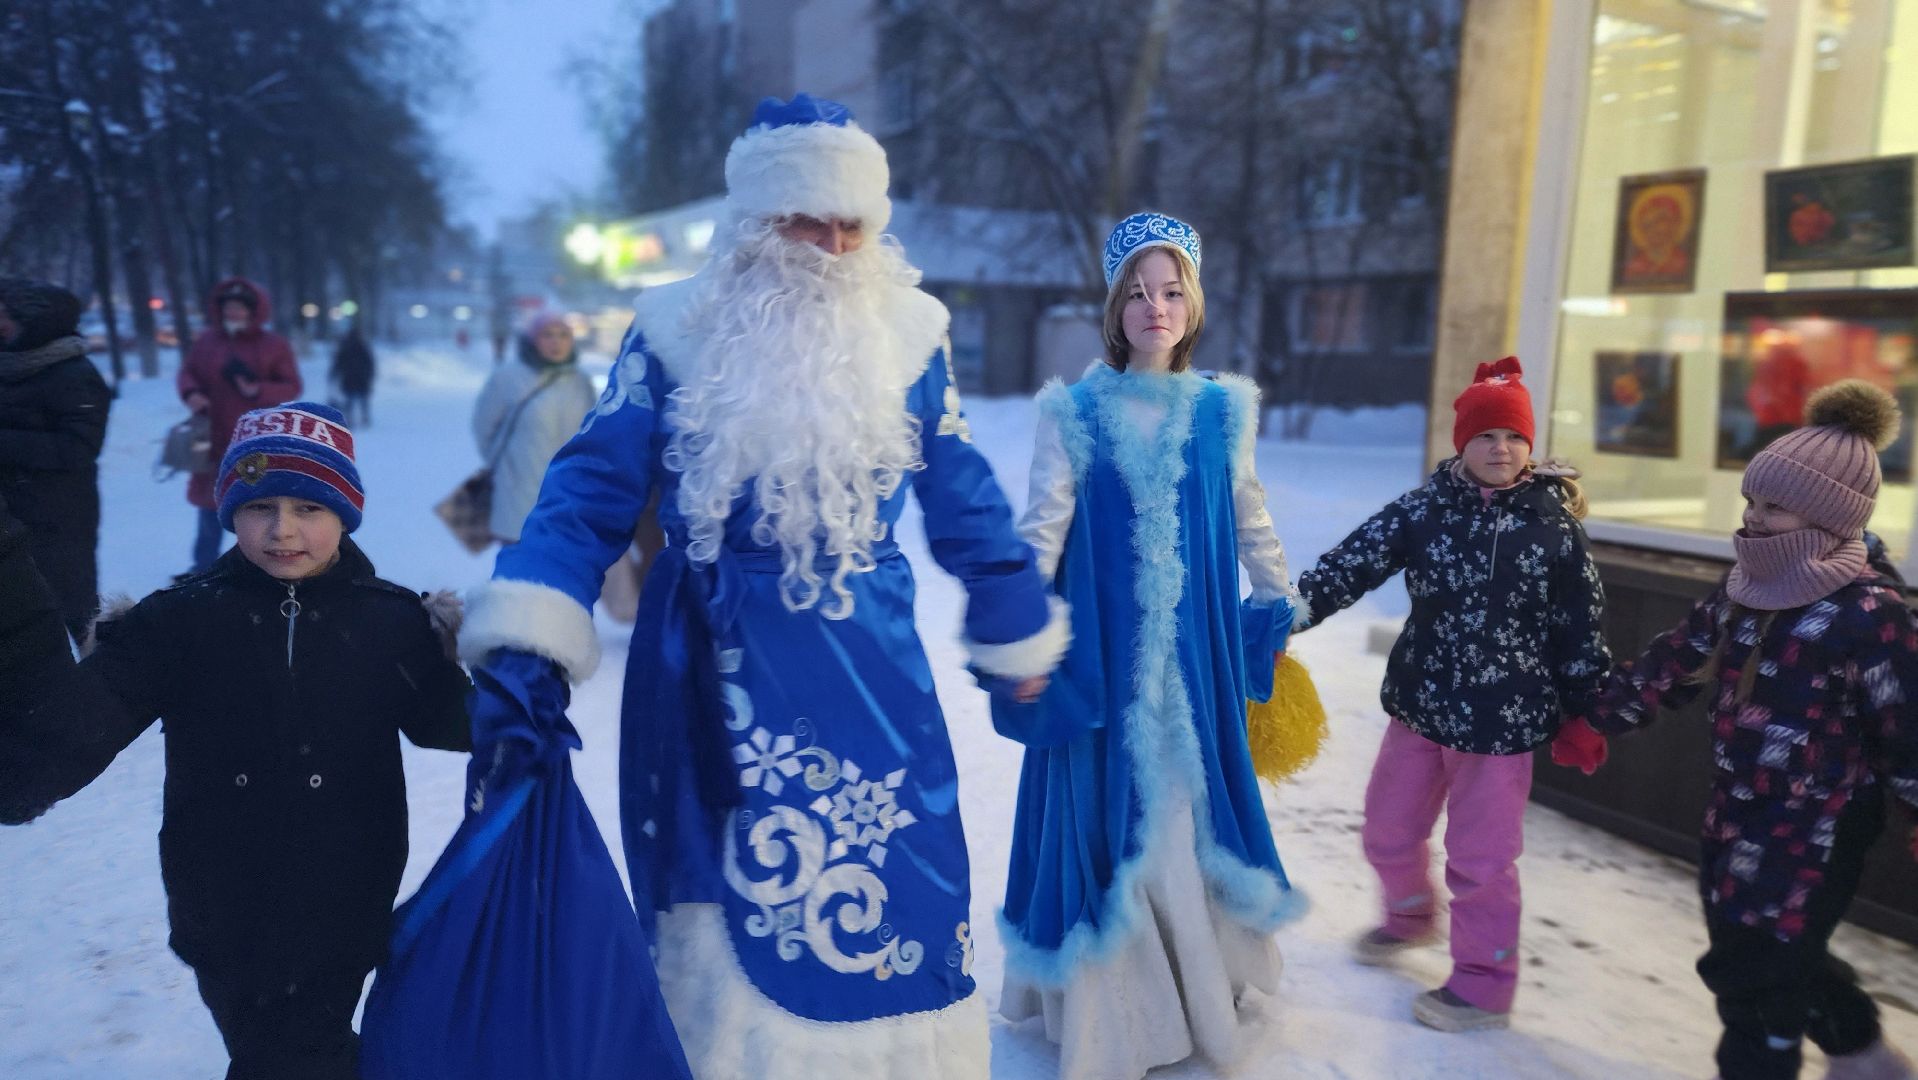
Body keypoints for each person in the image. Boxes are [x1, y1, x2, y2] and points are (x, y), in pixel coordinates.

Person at [456, 94, 1067, 1078]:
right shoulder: (673, 331)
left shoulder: (911, 335)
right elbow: (586, 491)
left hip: (873, 678)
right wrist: (530, 626)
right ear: (753, 220)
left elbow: (968, 503)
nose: (827, 243)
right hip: (708, 672)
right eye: (802, 217)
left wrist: (1014, 631)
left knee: (904, 890)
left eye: (849, 222)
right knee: (718, 912)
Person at [0, 401, 472, 1079]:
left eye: (308, 509)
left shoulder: (390, 622)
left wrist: (523, 687)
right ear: (230, 513)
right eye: (260, 509)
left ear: (344, 511)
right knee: (281, 1049)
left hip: (346, 895)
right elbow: (78, 727)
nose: (282, 531)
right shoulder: (178, 622)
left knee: (299, 1051)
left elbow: (448, 720)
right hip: (222, 903)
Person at [993, 213, 1304, 1080]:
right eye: (1137, 292)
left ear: (1192, 301)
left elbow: (1250, 516)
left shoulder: (1220, 412)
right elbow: (1041, 529)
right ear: (1115, 305)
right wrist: (1018, 629)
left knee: (1186, 812)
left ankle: (1199, 985)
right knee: (1111, 817)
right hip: (1103, 663)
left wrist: (1275, 603)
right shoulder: (1076, 412)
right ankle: (1115, 1013)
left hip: (1196, 662)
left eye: (1170, 291)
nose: (1154, 307)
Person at [1576, 381, 1918, 1080]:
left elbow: (1905, 724)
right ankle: (1858, 1048)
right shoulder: (1749, 584)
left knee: (1755, 969)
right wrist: (1597, 714)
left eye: (1774, 505)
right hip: (1738, 804)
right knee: (1752, 945)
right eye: (1750, 502)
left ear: (1827, 514)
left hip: (1821, 822)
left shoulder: (1870, 613)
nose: (1754, 519)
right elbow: (1676, 659)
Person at [1291, 356, 1612, 1032]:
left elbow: (1579, 626)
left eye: (1515, 438)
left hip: (1501, 728)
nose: (1501, 449)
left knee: (1482, 860)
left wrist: (1586, 708)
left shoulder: (1553, 530)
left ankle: (1484, 983)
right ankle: (1409, 917)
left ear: (1530, 447)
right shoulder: (1424, 510)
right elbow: (1353, 562)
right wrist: (1288, 613)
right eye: (1487, 436)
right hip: (1421, 706)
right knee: (1387, 829)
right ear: (1462, 443)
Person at [0, 278, 110, 642]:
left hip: (58, 519)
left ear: (32, 321)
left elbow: (78, 448)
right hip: (11, 516)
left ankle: (102, 689)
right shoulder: (9, 367)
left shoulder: (75, 375)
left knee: (76, 615)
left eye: (4, 314)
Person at [178, 277, 301, 573]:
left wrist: (257, 390)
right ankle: (202, 568)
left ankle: (251, 567)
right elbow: (188, 373)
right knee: (208, 504)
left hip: (253, 439)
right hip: (207, 435)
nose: (233, 313)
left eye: (239, 308)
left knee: (250, 502)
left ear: (253, 310)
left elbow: (291, 386)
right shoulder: (207, 341)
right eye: (228, 307)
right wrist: (192, 394)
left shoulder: (273, 345)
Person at [468, 313, 596, 545]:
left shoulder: (581, 381)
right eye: (547, 335)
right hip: (518, 495)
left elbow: (591, 434)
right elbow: (483, 428)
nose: (556, 342)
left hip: (569, 498)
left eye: (563, 335)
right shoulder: (507, 377)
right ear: (532, 339)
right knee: (519, 573)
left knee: (564, 573)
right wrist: (508, 467)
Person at [329, 323, 376, 427]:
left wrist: (333, 375)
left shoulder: (345, 347)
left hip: (349, 378)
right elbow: (370, 363)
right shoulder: (363, 347)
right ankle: (365, 418)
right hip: (361, 378)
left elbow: (338, 363)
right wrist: (370, 375)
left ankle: (350, 419)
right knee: (363, 400)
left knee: (350, 400)